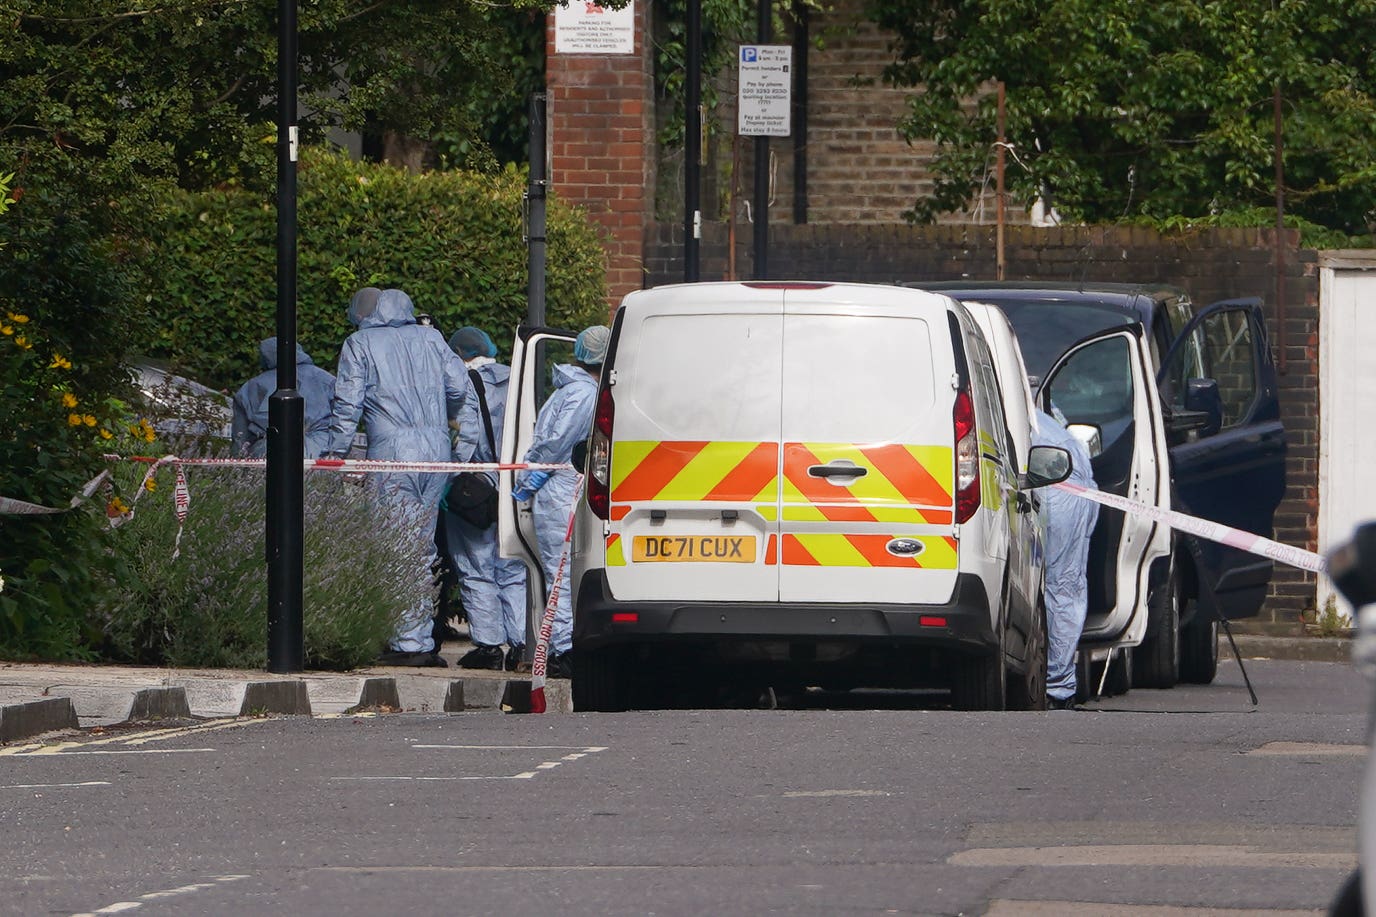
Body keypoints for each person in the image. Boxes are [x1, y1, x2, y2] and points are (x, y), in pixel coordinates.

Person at [322, 287, 472, 667]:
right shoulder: (432, 338)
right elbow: (459, 389)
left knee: (395, 548)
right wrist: (442, 423)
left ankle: (408, 643)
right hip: (436, 451)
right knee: (423, 548)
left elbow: (347, 404)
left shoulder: (360, 344)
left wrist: (334, 454)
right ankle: (419, 636)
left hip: (391, 451)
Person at [511, 325, 609, 679]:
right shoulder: (584, 394)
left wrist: (528, 480)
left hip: (558, 486)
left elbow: (551, 443)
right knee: (561, 572)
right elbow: (557, 444)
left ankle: (564, 648)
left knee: (560, 572)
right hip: (561, 485)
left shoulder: (574, 392)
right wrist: (533, 477)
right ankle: (565, 649)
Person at [444, 326, 530, 671]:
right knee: (513, 565)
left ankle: (490, 646)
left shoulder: (458, 384)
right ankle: (524, 643)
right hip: (516, 480)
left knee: (476, 567)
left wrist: (454, 474)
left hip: (476, 484)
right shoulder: (516, 379)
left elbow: (465, 437)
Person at [1033, 408, 1100, 710]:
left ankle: (1056, 686)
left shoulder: (1036, 420)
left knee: (1058, 586)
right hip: (1068, 486)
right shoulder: (1050, 422)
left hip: (1060, 487)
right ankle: (1057, 686)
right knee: (1064, 586)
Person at [230, 338, 336, 459]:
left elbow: (240, 438)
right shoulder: (326, 380)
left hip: (269, 451)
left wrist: (237, 465)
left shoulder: (250, 387)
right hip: (320, 450)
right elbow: (343, 420)